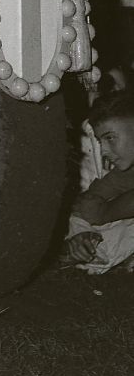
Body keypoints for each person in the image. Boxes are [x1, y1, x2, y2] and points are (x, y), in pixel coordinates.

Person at [66, 91, 134, 272]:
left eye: (110, 138)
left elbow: (99, 211)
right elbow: (85, 205)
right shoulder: (125, 172)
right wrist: (80, 236)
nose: (103, 151)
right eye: (100, 141)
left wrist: (105, 213)